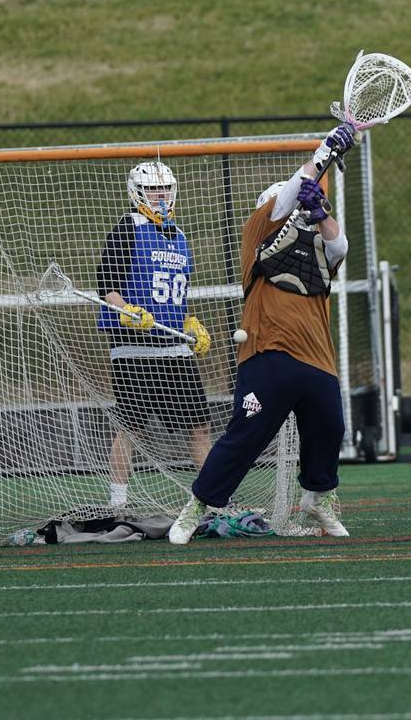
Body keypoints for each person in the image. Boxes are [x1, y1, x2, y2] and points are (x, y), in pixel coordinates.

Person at [168, 124, 357, 544]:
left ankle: (318, 499)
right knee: (246, 437)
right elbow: (289, 194)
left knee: (330, 428)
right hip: (266, 353)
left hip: (317, 359)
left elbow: (340, 245)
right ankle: (198, 505)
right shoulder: (259, 231)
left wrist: (322, 213)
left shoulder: (320, 246)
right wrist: (325, 149)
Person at [96, 161, 216, 510]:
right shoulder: (128, 227)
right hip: (134, 350)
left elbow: (176, 294)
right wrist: (127, 310)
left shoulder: (179, 236)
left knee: (200, 427)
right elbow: (106, 284)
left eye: (165, 188)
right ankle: (117, 504)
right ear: (138, 192)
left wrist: (189, 323)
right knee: (129, 429)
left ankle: (214, 500)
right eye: (152, 189)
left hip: (174, 348)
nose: (160, 195)